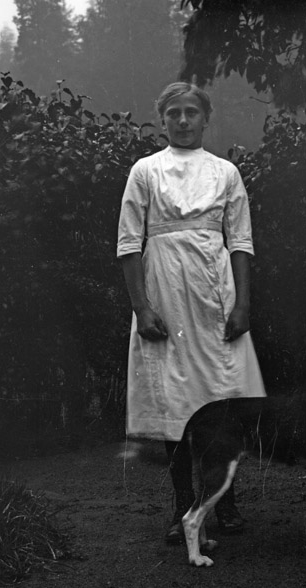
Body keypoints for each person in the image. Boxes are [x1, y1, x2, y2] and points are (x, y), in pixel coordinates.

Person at [117, 81, 266, 545]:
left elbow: (240, 243)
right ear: (162, 119)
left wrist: (242, 304)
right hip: (165, 294)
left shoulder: (225, 172)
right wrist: (143, 308)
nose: (183, 121)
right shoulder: (145, 170)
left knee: (223, 402)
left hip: (213, 295)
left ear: (205, 118)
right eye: (174, 113)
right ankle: (183, 507)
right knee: (175, 403)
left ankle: (225, 502)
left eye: (192, 112)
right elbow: (129, 245)